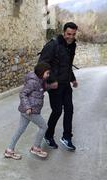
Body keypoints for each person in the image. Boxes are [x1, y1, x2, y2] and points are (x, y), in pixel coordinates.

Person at [38, 22, 79, 151]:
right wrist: (51, 80)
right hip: (54, 85)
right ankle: (48, 135)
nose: (71, 37)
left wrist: (73, 79)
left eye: (73, 34)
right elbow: (42, 64)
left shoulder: (72, 46)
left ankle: (67, 137)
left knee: (69, 109)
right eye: (68, 34)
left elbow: (67, 65)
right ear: (63, 32)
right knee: (57, 111)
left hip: (66, 84)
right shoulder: (53, 45)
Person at [5, 63, 57, 160]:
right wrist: (28, 107)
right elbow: (23, 94)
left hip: (27, 110)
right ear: (41, 72)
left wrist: (50, 86)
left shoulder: (40, 80)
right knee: (44, 127)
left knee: (20, 129)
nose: (48, 75)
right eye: (47, 73)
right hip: (30, 111)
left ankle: (9, 150)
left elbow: (40, 90)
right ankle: (36, 148)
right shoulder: (33, 82)